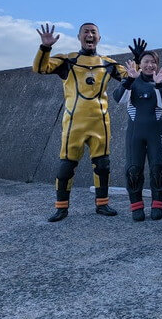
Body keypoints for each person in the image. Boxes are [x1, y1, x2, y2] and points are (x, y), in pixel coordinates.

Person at [33, 23, 144, 222]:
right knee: (66, 166)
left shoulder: (107, 63)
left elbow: (132, 77)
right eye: (86, 32)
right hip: (73, 123)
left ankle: (102, 204)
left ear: (99, 38)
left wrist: (137, 60)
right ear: (79, 37)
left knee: (103, 165)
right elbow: (40, 68)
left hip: (100, 123)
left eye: (93, 32)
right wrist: (45, 47)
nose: (90, 35)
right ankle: (61, 207)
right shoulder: (68, 60)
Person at [113, 51, 162, 221]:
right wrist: (129, 80)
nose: (149, 65)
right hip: (135, 134)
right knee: (133, 170)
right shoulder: (131, 81)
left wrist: (159, 85)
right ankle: (136, 206)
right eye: (146, 61)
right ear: (140, 64)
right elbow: (119, 98)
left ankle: (157, 204)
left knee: (158, 169)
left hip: (157, 133)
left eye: (153, 62)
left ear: (157, 65)